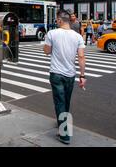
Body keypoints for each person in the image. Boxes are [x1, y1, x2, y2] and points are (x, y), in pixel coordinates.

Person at [44, 10, 87, 145]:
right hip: (70, 74)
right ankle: (62, 122)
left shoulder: (52, 33)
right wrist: (82, 75)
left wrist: (47, 46)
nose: (56, 22)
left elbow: (47, 51)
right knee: (66, 101)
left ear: (60, 20)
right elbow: (81, 56)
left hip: (56, 73)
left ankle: (64, 134)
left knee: (59, 102)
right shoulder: (77, 36)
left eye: (57, 20)